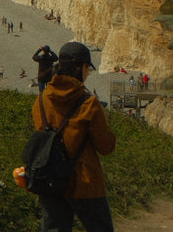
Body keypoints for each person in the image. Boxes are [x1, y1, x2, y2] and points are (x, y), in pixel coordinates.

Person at [33, 41, 116, 232]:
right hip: (84, 182)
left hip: (50, 180)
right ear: (81, 68)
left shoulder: (41, 100)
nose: (88, 73)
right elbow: (106, 147)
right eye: (88, 68)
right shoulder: (89, 104)